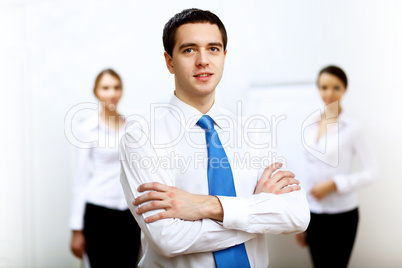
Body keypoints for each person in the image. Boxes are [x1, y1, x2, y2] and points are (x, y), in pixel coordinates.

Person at [120, 8, 310, 268]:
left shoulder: (254, 132)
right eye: (189, 50)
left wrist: (204, 206)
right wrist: (256, 210)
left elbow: (297, 215)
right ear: (169, 61)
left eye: (213, 49)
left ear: (223, 56)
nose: (203, 60)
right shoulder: (141, 137)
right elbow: (168, 239)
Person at [295, 65, 379, 268]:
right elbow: (305, 172)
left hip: (342, 214)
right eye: (324, 87)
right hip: (312, 213)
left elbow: (373, 172)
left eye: (336, 87)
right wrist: (299, 217)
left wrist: (335, 184)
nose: (329, 93)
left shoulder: (353, 128)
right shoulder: (310, 124)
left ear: (344, 90)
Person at [69, 69, 141, 267]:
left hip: (129, 213)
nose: (112, 93)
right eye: (106, 87)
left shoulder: (132, 127)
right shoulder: (87, 129)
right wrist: (76, 229)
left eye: (116, 87)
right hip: (98, 211)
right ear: (96, 92)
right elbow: (81, 179)